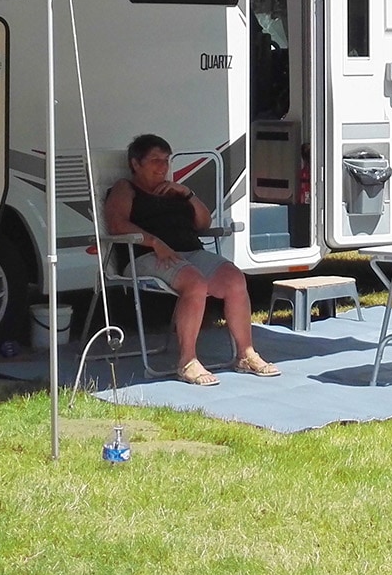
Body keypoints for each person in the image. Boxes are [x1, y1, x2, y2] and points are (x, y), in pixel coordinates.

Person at [103, 133, 281, 386]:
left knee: (234, 279)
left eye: (166, 160)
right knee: (195, 283)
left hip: (189, 252)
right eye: (155, 160)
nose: (163, 167)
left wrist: (186, 193)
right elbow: (116, 224)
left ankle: (246, 354)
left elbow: (203, 223)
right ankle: (187, 362)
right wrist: (154, 241)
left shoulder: (174, 192)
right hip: (145, 254)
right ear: (135, 163)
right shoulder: (126, 188)